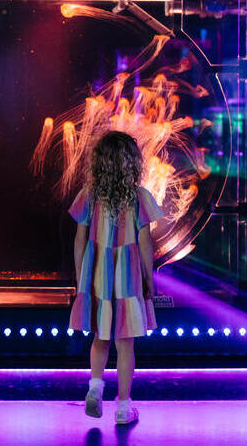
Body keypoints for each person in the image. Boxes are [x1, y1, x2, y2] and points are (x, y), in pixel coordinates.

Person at [68, 131, 163, 425]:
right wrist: (148, 277)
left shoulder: (89, 195)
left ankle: (95, 387)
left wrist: (80, 276)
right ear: (132, 163)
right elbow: (145, 242)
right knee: (125, 343)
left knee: (100, 337)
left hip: (97, 273)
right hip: (127, 277)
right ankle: (123, 407)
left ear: (99, 162)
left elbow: (79, 239)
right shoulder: (139, 197)